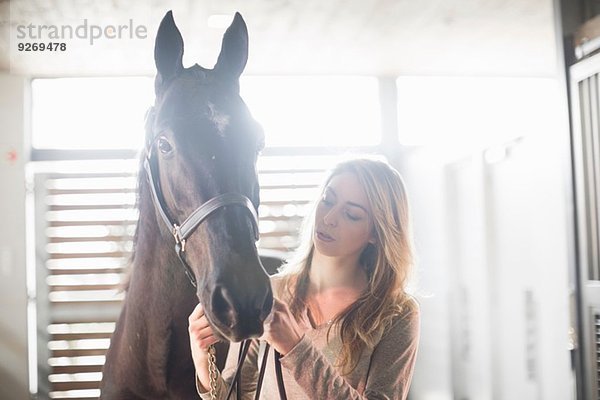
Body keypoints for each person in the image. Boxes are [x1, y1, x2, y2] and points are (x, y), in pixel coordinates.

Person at [188, 158, 420, 399]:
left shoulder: (397, 313)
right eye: (327, 200)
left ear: (375, 232)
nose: (329, 217)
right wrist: (203, 361)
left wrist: (295, 348)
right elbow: (237, 395)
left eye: (351, 214)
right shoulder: (270, 292)